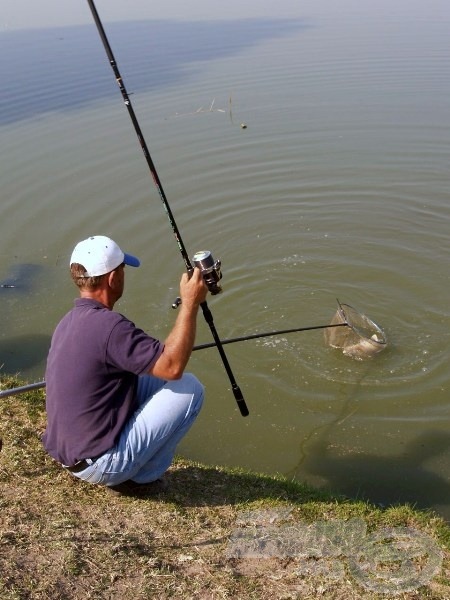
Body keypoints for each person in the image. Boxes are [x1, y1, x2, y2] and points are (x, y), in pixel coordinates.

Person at [42, 235, 208, 495]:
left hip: (69, 452)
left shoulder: (70, 320)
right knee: (190, 388)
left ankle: (127, 460)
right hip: (97, 463)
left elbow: (159, 364)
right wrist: (189, 304)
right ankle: (140, 477)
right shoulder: (110, 327)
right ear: (112, 279)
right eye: (122, 270)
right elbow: (172, 366)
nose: (123, 276)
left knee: (156, 377)